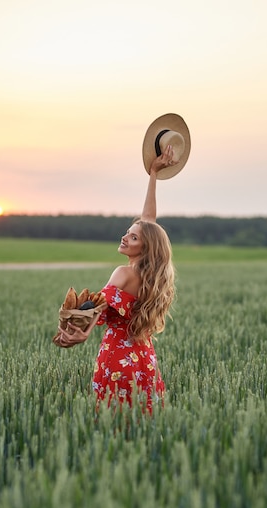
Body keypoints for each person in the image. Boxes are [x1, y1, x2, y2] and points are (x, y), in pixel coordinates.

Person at [57, 144, 177, 413]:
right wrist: (153, 174)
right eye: (127, 232)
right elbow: (148, 222)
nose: (125, 237)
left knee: (114, 425)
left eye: (133, 237)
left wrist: (80, 332)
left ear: (144, 247)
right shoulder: (151, 277)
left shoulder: (123, 273)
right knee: (144, 421)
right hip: (144, 359)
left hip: (117, 361)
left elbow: (96, 310)